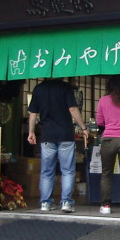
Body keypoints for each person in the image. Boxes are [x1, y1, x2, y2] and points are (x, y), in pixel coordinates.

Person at [27, 78, 89, 212]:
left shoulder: (38, 88)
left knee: (47, 171)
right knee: (67, 171)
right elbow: (72, 108)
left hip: (47, 135)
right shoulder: (66, 87)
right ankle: (66, 202)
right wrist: (83, 127)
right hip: (65, 134)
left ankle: (45, 203)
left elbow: (33, 113)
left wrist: (31, 132)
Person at [95, 74, 120, 216]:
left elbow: (99, 121)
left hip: (108, 140)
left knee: (106, 174)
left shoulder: (103, 100)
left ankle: (106, 206)